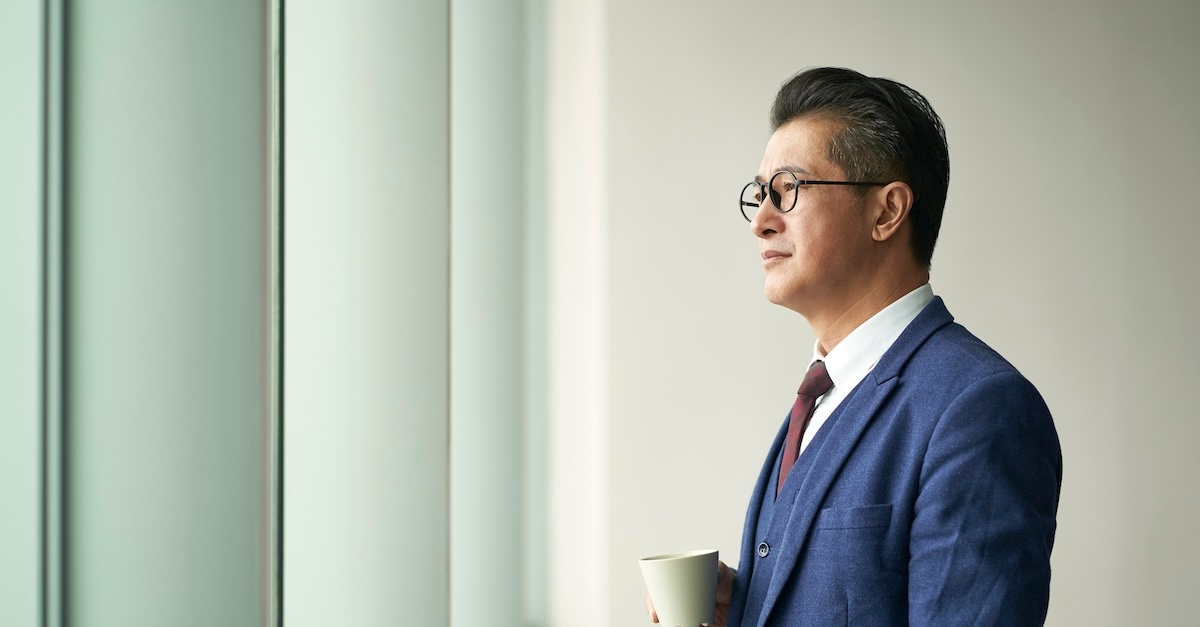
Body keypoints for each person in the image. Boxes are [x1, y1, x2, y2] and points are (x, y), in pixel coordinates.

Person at [646, 67, 1062, 626]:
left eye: (788, 190)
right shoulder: (819, 396)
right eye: (760, 194)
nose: (761, 222)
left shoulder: (980, 408)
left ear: (886, 211)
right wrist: (748, 608)